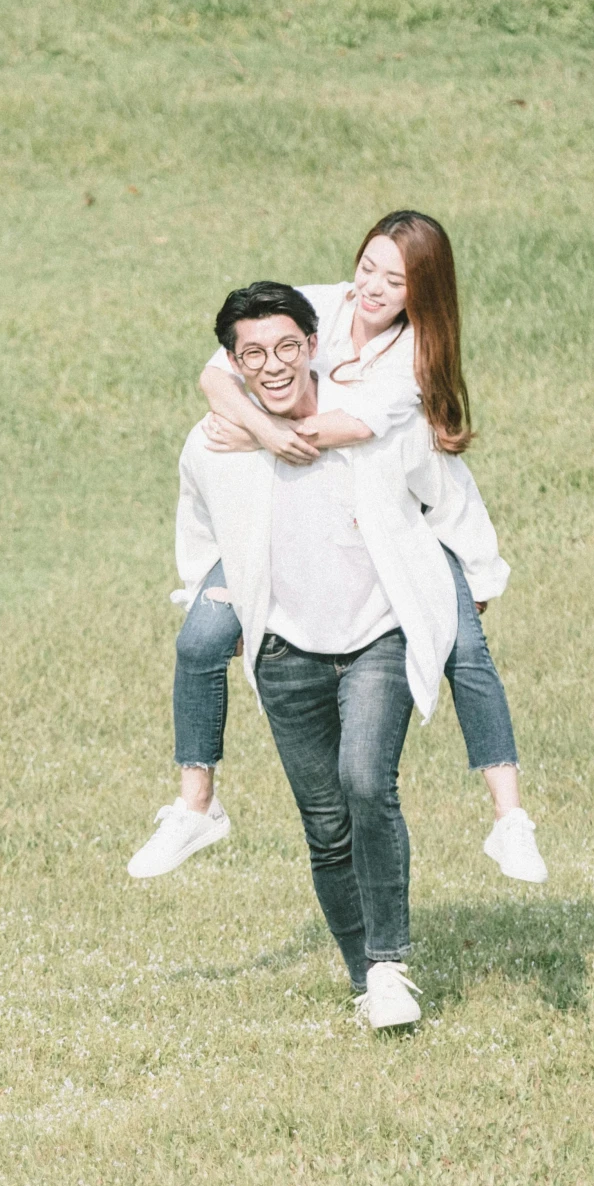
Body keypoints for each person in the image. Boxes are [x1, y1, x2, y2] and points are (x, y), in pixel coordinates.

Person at [127, 212, 546, 887]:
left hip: (397, 521)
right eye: (368, 266)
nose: (374, 287)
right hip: (287, 516)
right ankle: (195, 807)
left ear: (422, 293)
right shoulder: (315, 305)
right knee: (199, 641)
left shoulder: (415, 358)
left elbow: (356, 426)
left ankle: (509, 818)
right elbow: (215, 378)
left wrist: (271, 432)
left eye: (396, 279)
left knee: (465, 648)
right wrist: (261, 429)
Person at [173, 280, 463, 1028]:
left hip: (375, 637)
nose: (272, 366)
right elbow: (200, 537)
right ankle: (367, 978)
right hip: (285, 656)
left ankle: (392, 959)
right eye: (253, 354)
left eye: (287, 348)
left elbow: (443, 486)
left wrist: (477, 576)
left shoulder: (363, 419)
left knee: (367, 781)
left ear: (314, 346)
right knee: (326, 825)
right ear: (235, 364)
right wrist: (225, 612)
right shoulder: (217, 445)